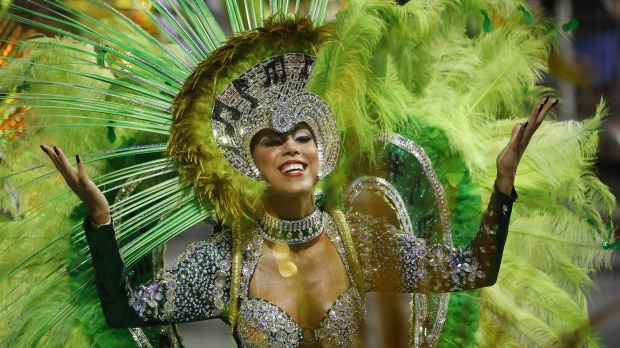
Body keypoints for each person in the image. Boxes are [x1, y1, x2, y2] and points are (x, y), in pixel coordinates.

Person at [2, 1, 614, 347]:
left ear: (322, 151)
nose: (292, 149)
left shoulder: (363, 242)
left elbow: (475, 269)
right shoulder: (225, 264)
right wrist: (103, 220)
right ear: (251, 161)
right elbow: (123, 311)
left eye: (304, 136)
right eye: (272, 140)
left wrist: (504, 182)